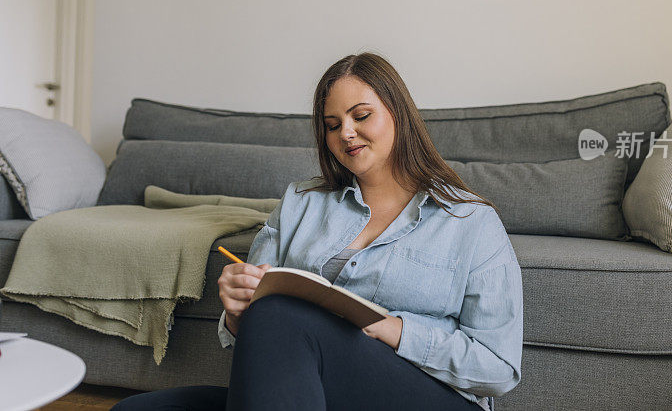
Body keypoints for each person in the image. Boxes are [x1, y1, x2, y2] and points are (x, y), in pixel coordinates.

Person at [112, 53, 523, 410]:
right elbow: (267, 344)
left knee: (279, 314)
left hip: (427, 395)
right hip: (315, 391)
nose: (346, 133)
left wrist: (394, 330)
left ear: (398, 113)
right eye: (332, 124)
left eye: (361, 116)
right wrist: (237, 315)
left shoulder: (470, 221)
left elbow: (499, 369)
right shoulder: (300, 202)